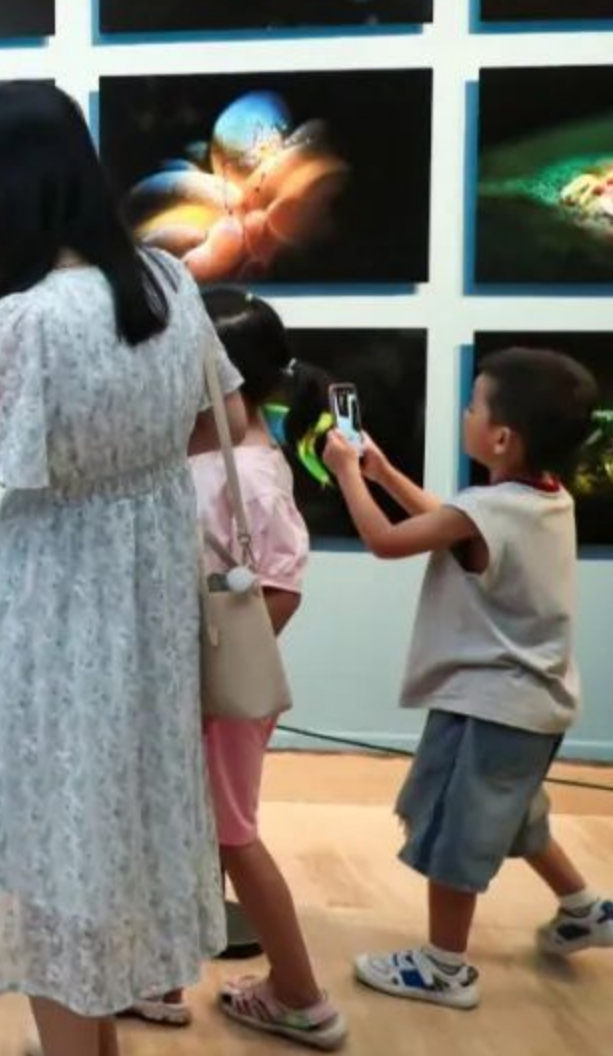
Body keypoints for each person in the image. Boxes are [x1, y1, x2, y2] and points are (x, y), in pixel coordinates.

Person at [0, 82, 227, 1056]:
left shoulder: (28, 320)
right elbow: (212, 412)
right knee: (106, 831)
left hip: (52, 601)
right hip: (147, 593)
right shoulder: (168, 282)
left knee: (48, 846)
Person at [324, 346, 613, 1010]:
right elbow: (453, 526)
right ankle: (583, 907)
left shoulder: (491, 508)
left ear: (502, 437)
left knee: (456, 828)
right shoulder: (543, 499)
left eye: (474, 405)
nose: (464, 413)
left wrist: (347, 476)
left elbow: (388, 542)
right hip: (534, 704)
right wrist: (384, 472)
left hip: (491, 704)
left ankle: (443, 966)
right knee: (515, 810)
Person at [127, 292, 347, 1050]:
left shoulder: (246, 471)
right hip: (197, 688)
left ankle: (302, 996)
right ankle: (161, 980)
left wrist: (205, 682)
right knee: (193, 832)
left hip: (218, 694)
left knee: (232, 837)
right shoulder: (214, 455)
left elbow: (281, 588)